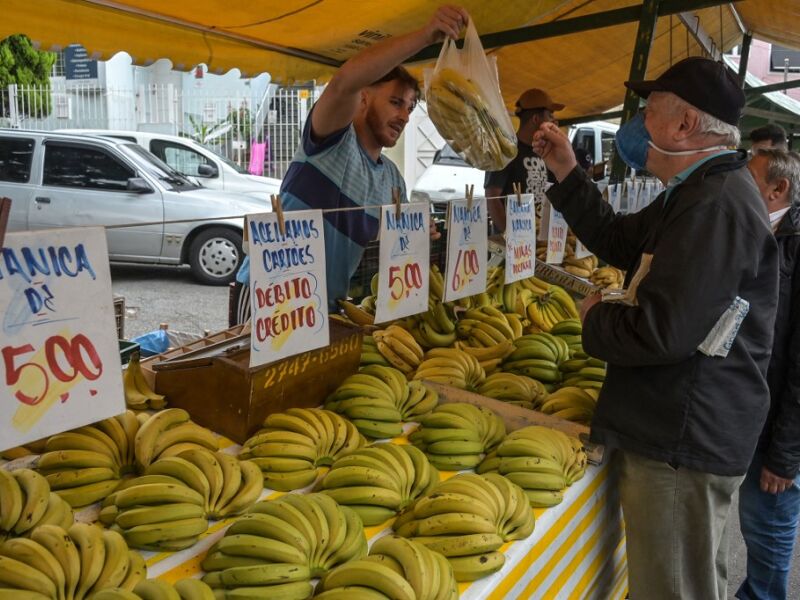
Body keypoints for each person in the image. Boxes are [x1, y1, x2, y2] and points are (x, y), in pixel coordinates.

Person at [533, 56, 779, 600]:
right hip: (687, 426)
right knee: (694, 582)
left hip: (683, 437)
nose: (640, 121)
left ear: (685, 124)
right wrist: (568, 172)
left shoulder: (714, 204)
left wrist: (598, 318)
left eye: (650, 110)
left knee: (674, 590)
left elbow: (663, 332)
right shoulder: (697, 190)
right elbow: (620, 241)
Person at [238, 5, 467, 313]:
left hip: (328, 311)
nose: (404, 116)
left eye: (410, 108)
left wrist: (419, 232)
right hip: (270, 301)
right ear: (363, 97)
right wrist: (426, 35)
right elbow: (346, 80)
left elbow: (390, 248)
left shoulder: (393, 180)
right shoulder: (330, 140)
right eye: (395, 102)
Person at [736, 148, 800, 600]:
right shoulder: (760, 231)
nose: (738, 187)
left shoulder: (793, 242)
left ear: (779, 189)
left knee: (769, 525)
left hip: (779, 427)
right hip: (749, 413)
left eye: (749, 179)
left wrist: (786, 455)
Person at [484, 88, 564, 232]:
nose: (554, 121)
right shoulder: (506, 150)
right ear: (535, 119)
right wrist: (511, 238)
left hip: (539, 238)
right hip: (514, 244)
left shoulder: (545, 151)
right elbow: (492, 198)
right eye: (550, 115)